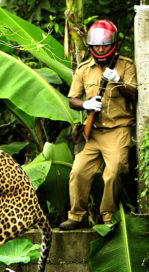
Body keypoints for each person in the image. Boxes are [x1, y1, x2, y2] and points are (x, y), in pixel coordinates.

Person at [60, 20, 137, 230]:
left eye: (104, 45)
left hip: (118, 129)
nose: (100, 49)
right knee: (78, 171)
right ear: (91, 46)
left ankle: (106, 216)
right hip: (93, 132)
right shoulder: (84, 69)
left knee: (113, 172)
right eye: (96, 45)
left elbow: (136, 93)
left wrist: (119, 81)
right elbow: (72, 99)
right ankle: (76, 216)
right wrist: (85, 103)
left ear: (112, 44)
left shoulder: (126, 65)